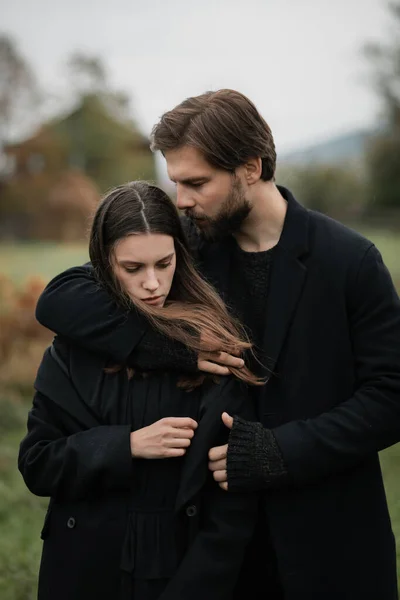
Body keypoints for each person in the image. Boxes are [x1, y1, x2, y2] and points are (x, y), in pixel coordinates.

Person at [34, 90, 400, 599]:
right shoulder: (188, 249)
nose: (181, 199)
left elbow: (390, 397)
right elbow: (60, 298)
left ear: (250, 167)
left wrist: (280, 452)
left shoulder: (351, 261)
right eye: (176, 182)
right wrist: (169, 347)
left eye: (195, 183)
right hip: (217, 555)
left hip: (326, 538)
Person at [18, 181, 262, 600]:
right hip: (83, 567)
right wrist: (125, 445)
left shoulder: (211, 347)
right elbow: (37, 463)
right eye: (132, 269)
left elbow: (233, 502)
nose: (152, 283)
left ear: (179, 257)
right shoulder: (74, 349)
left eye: (164, 264)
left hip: (179, 567)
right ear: (103, 263)